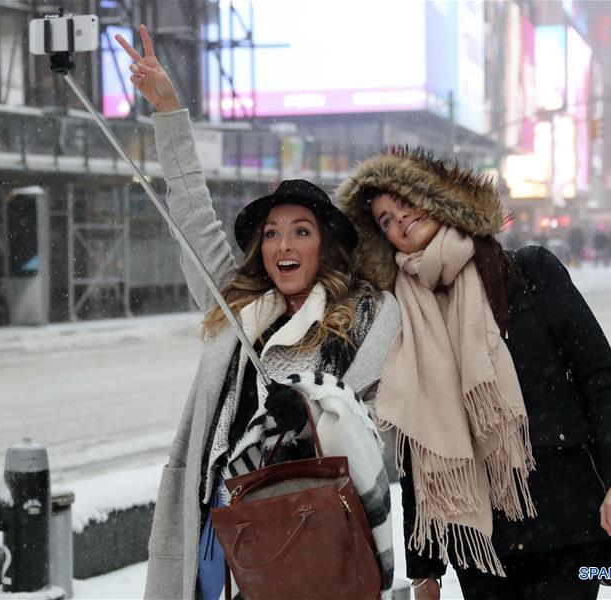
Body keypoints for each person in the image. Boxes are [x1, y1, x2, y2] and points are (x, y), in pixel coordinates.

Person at [116, 26, 401, 600]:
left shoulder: (368, 312)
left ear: (326, 245)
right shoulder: (236, 303)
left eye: (301, 231)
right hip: (213, 518)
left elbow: (377, 430)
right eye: (272, 234)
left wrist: (309, 410)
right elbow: (192, 214)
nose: (283, 245)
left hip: (304, 523)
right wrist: (169, 111)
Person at [337, 147, 611, 600]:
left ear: (440, 198)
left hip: (562, 520)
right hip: (478, 545)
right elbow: (418, 436)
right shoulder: (404, 316)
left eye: (405, 202)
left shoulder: (528, 271)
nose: (399, 221)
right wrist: (426, 566)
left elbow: (600, 376)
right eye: (384, 220)